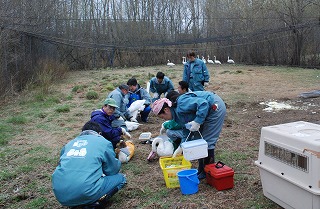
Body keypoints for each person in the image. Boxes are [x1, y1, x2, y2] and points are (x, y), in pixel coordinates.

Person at [152, 90, 226, 179]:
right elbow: (186, 129)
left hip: (214, 107)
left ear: (166, 110)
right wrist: (182, 145)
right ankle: (201, 169)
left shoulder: (181, 104)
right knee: (199, 140)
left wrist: (197, 121)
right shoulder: (176, 115)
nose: (163, 119)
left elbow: (203, 104)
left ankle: (209, 172)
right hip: (205, 111)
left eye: (162, 117)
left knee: (207, 141)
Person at [52, 121, 126, 208]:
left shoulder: (69, 144)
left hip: (60, 195)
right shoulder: (103, 142)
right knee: (121, 178)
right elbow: (113, 170)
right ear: (99, 133)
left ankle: (75, 202)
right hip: (85, 191)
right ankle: (93, 203)